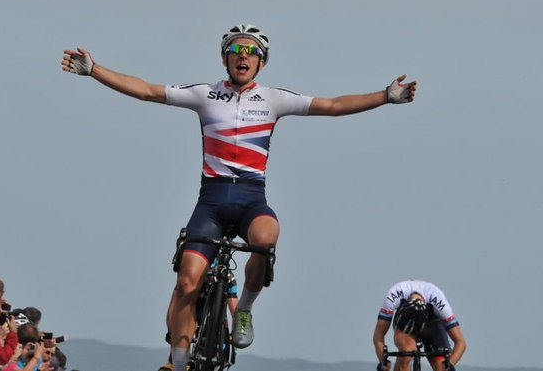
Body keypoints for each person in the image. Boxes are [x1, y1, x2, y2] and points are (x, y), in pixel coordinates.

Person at [61, 23, 416, 371]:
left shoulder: (274, 99)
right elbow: (146, 91)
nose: (243, 56)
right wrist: (94, 70)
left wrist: (385, 96)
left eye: (251, 52)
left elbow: (334, 106)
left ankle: (244, 308)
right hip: (212, 202)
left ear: (261, 62)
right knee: (186, 282)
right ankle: (180, 363)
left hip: (251, 200)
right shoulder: (204, 94)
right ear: (224, 59)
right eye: (236, 50)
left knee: (266, 238)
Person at [373, 280, 466, 371]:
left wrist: (450, 364)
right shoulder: (393, 295)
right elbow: (378, 335)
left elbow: (460, 342)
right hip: (404, 323)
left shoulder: (440, 302)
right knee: (406, 352)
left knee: (442, 367)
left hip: (432, 324)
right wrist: (383, 361)